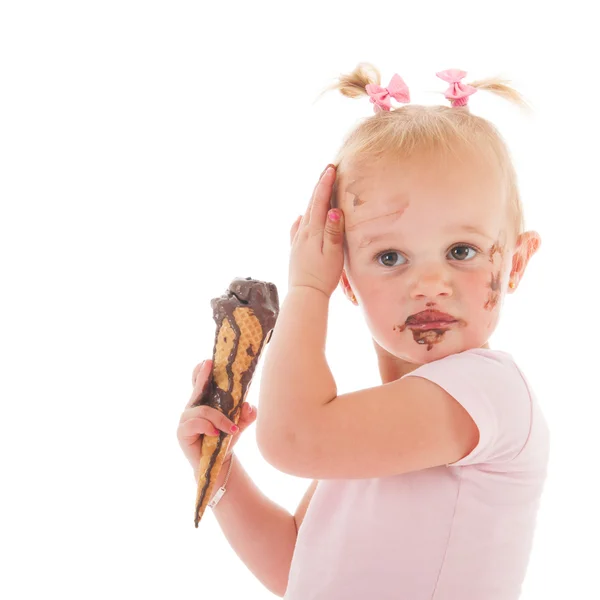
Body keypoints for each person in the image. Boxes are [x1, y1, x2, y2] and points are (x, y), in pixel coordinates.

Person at [177, 62, 550, 599]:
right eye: (391, 256)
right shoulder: (370, 425)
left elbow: (293, 439)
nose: (429, 284)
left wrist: (306, 290)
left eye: (461, 251)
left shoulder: (490, 393)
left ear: (515, 263)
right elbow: (296, 565)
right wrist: (221, 474)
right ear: (348, 276)